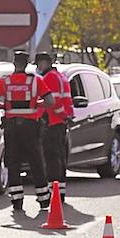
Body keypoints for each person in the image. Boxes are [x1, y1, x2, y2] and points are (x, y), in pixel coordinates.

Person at [0, 51, 52, 212]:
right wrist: (36, 105)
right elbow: (50, 101)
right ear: (27, 64)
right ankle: (44, 199)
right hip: (30, 126)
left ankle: (17, 200)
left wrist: (4, 106)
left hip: (11, 127)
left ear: (14, 63)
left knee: (13, 162)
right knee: (36, 162)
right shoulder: (36, 81)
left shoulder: (6, 81)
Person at [34, 52, 73, 202]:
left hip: (52, 122)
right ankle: (60, 191)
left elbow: (52, 102)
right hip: (61, 122)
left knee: (51, 159)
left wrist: (35, 107)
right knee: (59, 159)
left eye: (39, 64)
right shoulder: (61, 76)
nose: (38, 67)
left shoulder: (49, 78)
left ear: (45, 63)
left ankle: (54, 192)